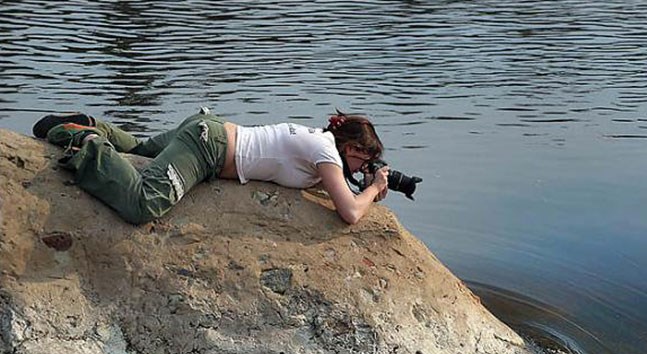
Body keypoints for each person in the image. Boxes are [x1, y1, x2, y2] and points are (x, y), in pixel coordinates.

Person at [33, 107, 389, 225]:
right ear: (351, 146)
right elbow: (350, 213)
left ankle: (96, 126)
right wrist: (373, 188)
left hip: (209, 131)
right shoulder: (326, 152)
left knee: (143, 152)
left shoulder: (319, 145)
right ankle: (86, 142)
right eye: (364, 160)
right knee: (145, 203)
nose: (361, 169)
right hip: (208, 149)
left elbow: (336, 190)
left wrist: (365, 183)